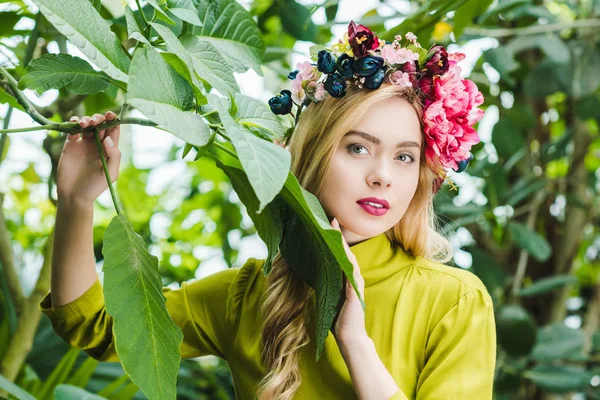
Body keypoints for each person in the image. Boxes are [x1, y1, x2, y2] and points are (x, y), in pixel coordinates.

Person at [40, 22, 496, 400]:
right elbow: (98, 328)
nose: (383, 176)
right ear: (312, 154)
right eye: (358, 148)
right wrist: (77, 203)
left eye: (404, 157)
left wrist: (353, 341)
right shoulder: (245, 295)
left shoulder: (454, 301)